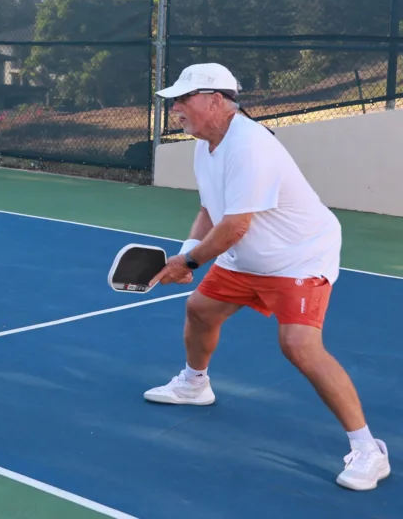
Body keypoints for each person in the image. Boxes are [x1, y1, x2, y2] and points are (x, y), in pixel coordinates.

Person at [145, 63, 390, 491]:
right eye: (174, 102)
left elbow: (235, 226)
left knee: (299, 346)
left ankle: (368, 448)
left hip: (298, 257)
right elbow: (210, 210)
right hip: (247, 258)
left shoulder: (250, 146)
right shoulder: (205, 145)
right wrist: (186, 251)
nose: (176, 109)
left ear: (216, 101)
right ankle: (194, 384)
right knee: (200, 310)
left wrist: (188, 264)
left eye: (184, 100)